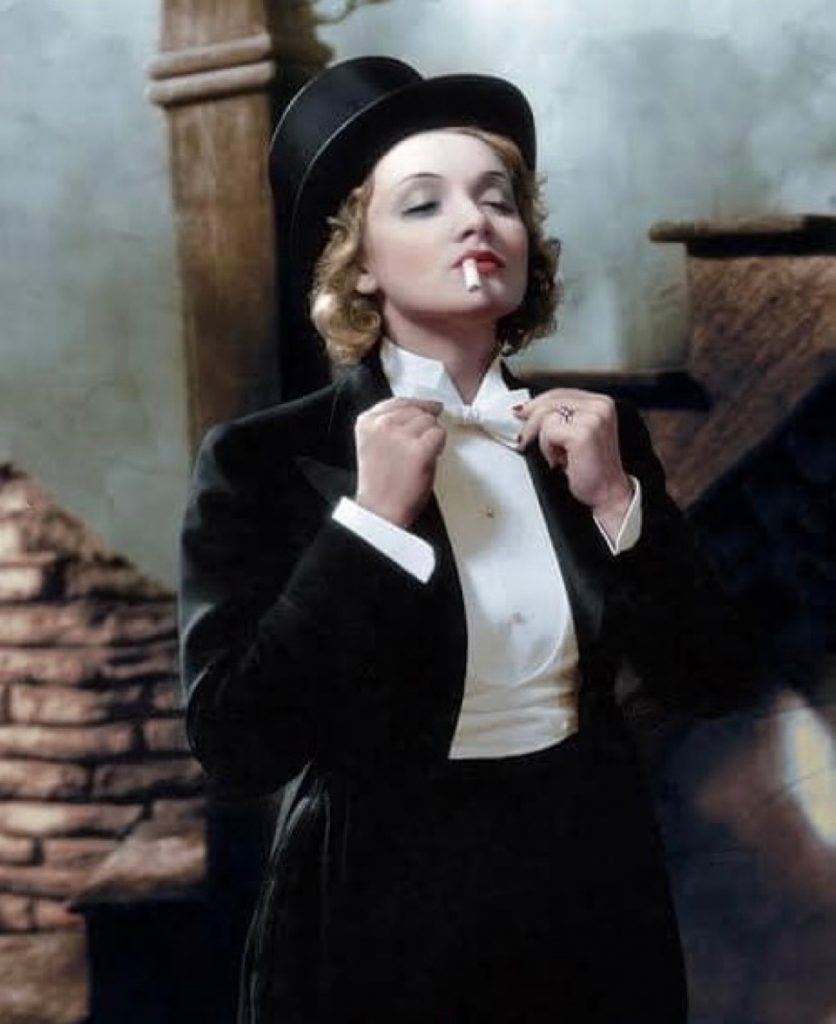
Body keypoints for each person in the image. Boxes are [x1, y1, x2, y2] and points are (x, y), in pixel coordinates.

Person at [179, 57, 756, 1023]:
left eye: (498, 199)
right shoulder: (259, 460)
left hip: (593, 905)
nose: (477, 221)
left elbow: (715, 677)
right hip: (378, 919)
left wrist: (617, 502)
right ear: (359, 263)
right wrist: (368, 526)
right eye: (424, 203)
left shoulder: (595, 436)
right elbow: (237, 744)